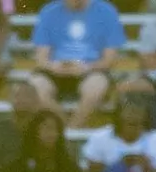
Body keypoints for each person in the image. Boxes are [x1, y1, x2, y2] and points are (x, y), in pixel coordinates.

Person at [30, 0, 126, 128]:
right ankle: (65, 129)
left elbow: (109, 60)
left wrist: (85, 67)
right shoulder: (49, 11)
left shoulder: (106, 12)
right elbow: (41, 59)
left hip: (91, 69)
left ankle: (72, 130)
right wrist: (54, 67)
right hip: (56, 68)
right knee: (35, 87)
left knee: (95, 87)